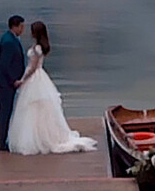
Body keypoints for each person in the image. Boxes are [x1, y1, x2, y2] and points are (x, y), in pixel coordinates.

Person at [6, 21, 98, 155]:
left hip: (35, 77)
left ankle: (40, 138)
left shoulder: (37, 48)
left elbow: (33, 67)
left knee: (33, 107)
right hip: (40, 76)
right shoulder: (40, 47)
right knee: (40, 107)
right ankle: (43, 135)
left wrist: (22, 80)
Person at [0, 15, 27, 151]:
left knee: (6, 111)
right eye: (22, 27)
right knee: (5, 112)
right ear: (15, 26)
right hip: (5, 84)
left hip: (5, 82)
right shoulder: (8, 42)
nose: (23, 29)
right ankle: (1, 142)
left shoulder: (10, 38)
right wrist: (14, 80)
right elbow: (4, 64)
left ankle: (3, 139)